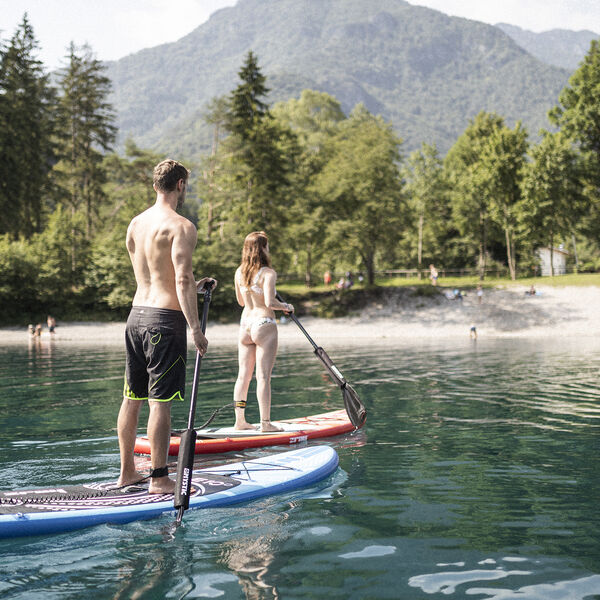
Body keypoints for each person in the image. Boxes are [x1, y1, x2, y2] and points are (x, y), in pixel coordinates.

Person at [117, 158, 217, 494]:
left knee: (132, 397)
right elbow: (181, 277)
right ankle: (159, 478)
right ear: (180, 185)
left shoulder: (135, 224)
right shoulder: (181, 226)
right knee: (161, 402)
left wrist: (192, 285)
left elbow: (154, 274)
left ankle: (128, 472)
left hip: (136, 317)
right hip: (165, 323)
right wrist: (196, 329)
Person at [233, 231, 293, 432]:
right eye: (267, 246)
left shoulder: (239, 272)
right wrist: (286, 306)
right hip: (264, 323)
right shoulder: (268, 273)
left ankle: (240, 421)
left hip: (245, 325)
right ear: (263, 249)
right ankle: (265, 423)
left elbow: (241, 302)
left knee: (243, 376)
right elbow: (269, 302)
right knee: (264, 376)